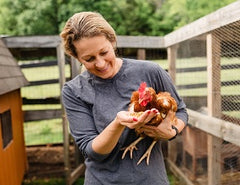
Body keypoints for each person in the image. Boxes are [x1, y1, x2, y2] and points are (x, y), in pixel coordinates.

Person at [60, 11, 188, 185]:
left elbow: (180, 110)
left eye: (104, 52)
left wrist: (171, 132)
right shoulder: (74, 91)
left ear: (112, 42)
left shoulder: (151, 71)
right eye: (89, 59)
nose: (100, 63)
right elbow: (92, 151)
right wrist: (118, 123)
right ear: (77, 57)